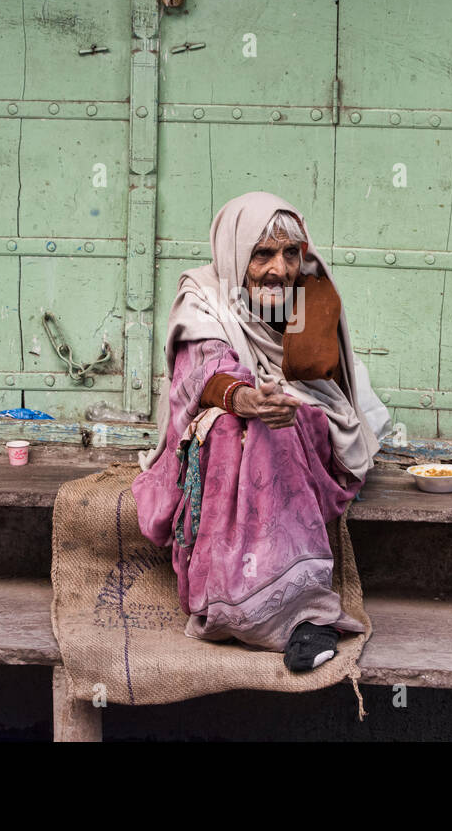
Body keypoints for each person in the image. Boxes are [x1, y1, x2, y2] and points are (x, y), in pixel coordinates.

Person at [132, 191, 387, 672]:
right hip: (236, 425)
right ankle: (230, 597)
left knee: (279, 424)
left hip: (305, 429)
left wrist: (282, 393)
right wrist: (247, 399)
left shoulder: (310, 293)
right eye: (262, 254)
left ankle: (306, 611)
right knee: (236, 428)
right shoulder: (203, 297)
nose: (279, 269)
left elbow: (322, 381)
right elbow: (201, 373)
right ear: (234, 252)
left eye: (290, 253)